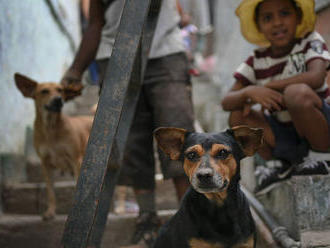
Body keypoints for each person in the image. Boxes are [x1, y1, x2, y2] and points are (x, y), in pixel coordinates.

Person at [61, 0, 194, 246]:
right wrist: (75, 70)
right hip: (115, 56)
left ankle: (192, 216)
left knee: (178, 133)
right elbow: (96, 25)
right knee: (131, 140)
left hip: (165, 53)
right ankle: (147, 217)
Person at [221, 0, 330, 195]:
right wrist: (248, 92)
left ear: (298, 17)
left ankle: (322, 158)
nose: (277, 22)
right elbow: (227, 101)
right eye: (268, 18)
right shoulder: (256, 60)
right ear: (259, 26)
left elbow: (316, 77)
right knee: (238, 114)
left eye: (285, 13)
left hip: (322, 129)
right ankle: (277, 165)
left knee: (295, 93)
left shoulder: (310, 42)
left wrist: (267, 86)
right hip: (284, 135)